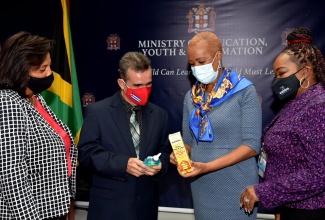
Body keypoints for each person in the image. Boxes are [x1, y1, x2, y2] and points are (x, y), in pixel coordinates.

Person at [170, 31, 262, 219]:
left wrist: (208, 166)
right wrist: (180, 155)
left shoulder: (244, 91)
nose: (196, 68)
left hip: (237, 185)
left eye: (201, 61)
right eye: (192, 64)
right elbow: (189, 142)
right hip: (202, 186)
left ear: (217, 57)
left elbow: (252, 146)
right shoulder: (191, 97)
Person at [240, 27, 325, 220]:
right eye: (275, 75)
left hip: (310, 211)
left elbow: (320, 173)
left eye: (282, 73)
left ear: (305, 72)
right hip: (290, 206)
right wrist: (279, 204)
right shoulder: (296, 103)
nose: (277, 81)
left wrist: (264, 192)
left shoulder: (319, 106)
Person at [77, 51, 171, 220]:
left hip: (145, 209)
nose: (144, 90)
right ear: (122, 83)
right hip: (108, 210)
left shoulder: (160, 115)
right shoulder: (98, 112)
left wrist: (160, 165)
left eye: (148, 84)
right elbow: (86, 153)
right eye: (137, 85)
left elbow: (165, 152)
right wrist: (123, 164)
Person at [0, 31, 77, 219]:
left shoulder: (35, 98)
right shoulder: (7, 102)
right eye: (42, 69)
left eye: (49, 66)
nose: (50, 73)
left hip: (53, 208)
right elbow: (12, 175)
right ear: (20, 69)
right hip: (31, 214)